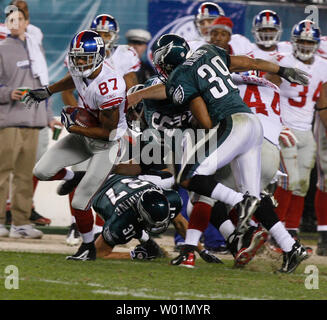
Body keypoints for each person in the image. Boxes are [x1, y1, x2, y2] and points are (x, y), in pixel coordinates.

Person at [127, 33, 309, 267]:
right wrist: (282, 70)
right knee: (252, 195)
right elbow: (248, 62)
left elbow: (205, 123)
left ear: (167, 61)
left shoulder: (181, 76)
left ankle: (237, 204)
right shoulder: (208, 52)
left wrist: (194, 119)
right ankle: (290, 247)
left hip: (232, 125)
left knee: (189, 176)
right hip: (254, 125)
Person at [23, 30, 129, 259]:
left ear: (100, 56)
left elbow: (107, 132)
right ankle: (73, 178)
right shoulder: (79, 66)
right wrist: (49, 90)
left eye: (85, 58)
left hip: (108, 144)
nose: (80, 62)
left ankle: (88, 246)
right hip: (84, 135)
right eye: (77, 56)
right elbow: (75, 77)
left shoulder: (110, 85)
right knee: (41, 171)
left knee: (81, 201)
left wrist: (75, 127)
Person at [61, 14, 141, 246]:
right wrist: (77, 115)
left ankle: (100, 226)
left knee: (105, 177)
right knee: (79, 176)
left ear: (114, 36)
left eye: (107, 34)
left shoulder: (125, 55)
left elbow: (132, 83)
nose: (104, 38)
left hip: (111, 126)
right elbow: (69, 87)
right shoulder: (80, 54)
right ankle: (77, 224)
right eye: (101, 34)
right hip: (88, 126)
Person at [267, 20, 327, 241]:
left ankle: (291, 229)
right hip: (284, 127)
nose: (304, 45)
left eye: (308, 42)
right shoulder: (283, 61)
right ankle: (276, 230)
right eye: (300, 41)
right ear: (293, 42)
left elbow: (322, 102)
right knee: (289, 181)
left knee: (302, 184)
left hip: (306, 131)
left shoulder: (323, 65)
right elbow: (266, 90)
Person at [1, 0, 56, 227]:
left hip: (33, 121)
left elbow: (44, 86)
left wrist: (48, 115)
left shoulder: (36, 48)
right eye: (11, 19)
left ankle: (21, 224)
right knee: (2, 174)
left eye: (20, 19)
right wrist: (8, 93)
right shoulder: (2, 49)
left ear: (27, 22)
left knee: (25, 176)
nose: (15, 23)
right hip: (9, 121)